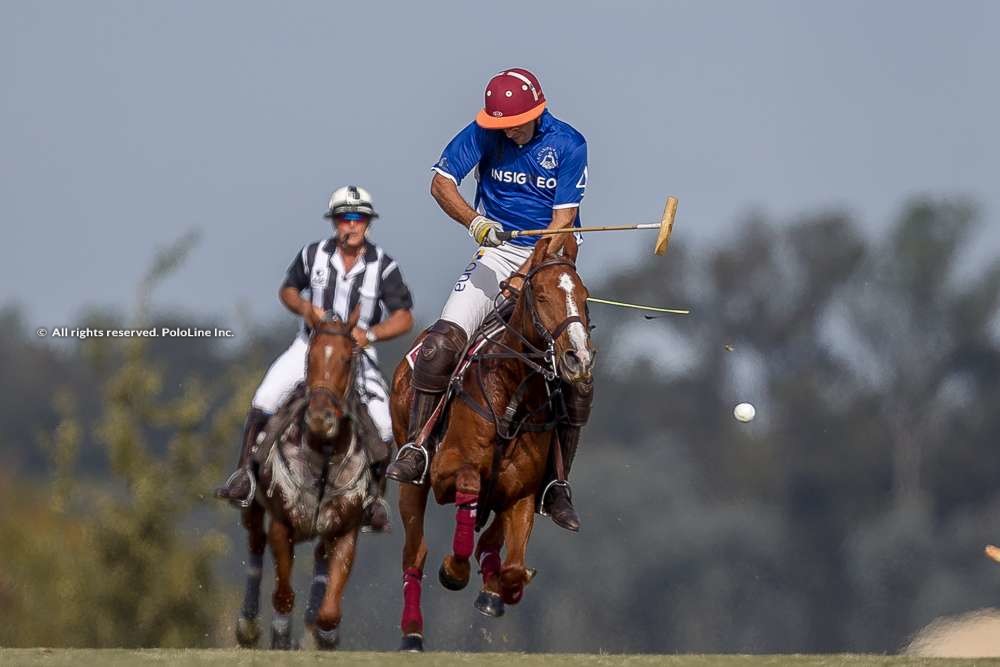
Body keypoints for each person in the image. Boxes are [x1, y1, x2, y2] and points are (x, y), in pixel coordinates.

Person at [385, 68, 594, 532]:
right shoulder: (485, 131)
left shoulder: (568, 144)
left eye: (516, 122)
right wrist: (475, 223)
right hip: (495, 251)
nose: (508, 130)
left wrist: (526, 274)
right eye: (501, 123)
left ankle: (556, 484)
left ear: (538, 112)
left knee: (576, 369)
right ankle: (417, 447)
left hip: (550, 255)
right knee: (440, 346)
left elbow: (562, 221)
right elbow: (441, 182)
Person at [216, 185, 414, 532]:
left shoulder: (383, 266)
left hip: (356, 354)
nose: (350, 225)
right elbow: (288, 290)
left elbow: (404, 316)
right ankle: (245, 475)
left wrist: (370, 334)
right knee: (264, 399)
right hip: (308, 347)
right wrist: (306, 309)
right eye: (344, 218)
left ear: (368, 223)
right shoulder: (313, 256)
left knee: (383, 424)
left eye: (358, 218)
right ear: (334, 222)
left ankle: (373, 500)